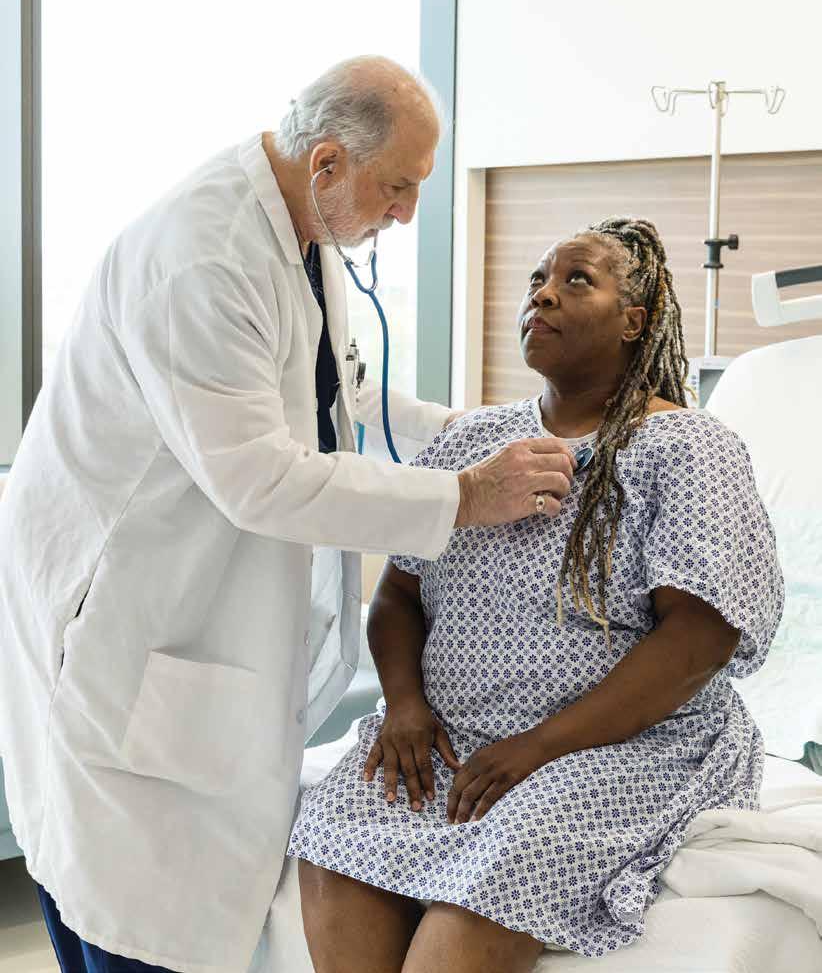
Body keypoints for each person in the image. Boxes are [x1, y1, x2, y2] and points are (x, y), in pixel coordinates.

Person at [0, 56, 577, 973]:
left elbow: (335, 394)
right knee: (123, 897)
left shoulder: (304, 230)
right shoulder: (203, 258)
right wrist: (468, 495)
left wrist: (463, 432)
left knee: (160, 880)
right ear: (327, 162)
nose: (406, 214)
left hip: (190, 609)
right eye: (398, 187)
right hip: (119, 614)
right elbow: (261, 478)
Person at [289, 217, 784, 973]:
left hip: (625, 748)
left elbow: (699, 640)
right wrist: (405, 707)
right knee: (334, 833)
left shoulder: (688, 448)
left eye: (576, 280)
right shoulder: (471, 440)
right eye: (537, 281)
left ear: (634, 321)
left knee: (495, 876)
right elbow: (396, 597)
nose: (543, 295)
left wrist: (539, 747)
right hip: (456, 737)